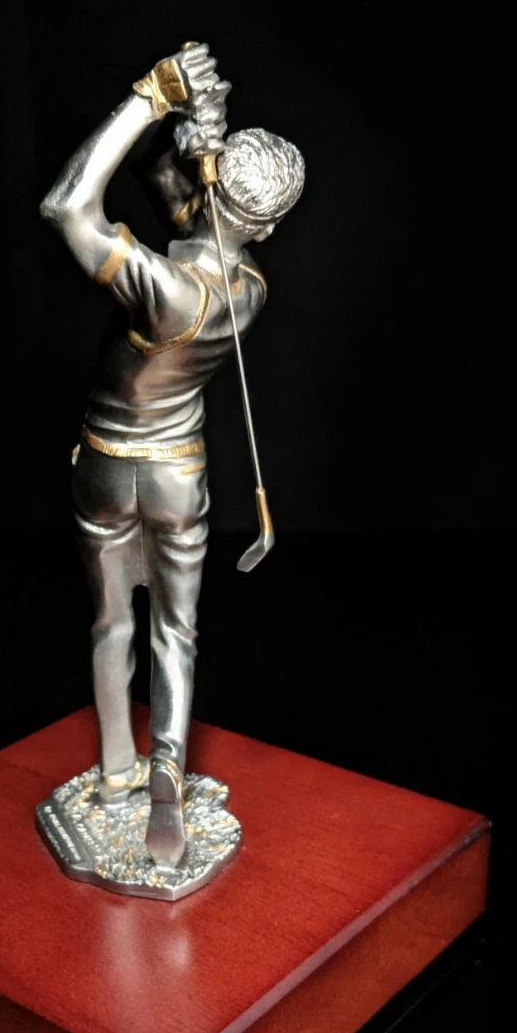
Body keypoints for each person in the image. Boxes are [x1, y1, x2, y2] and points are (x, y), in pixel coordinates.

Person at [40, 43, 304, 867]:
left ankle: (118, 770)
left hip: (107, 463)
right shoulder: (249, 290)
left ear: (217, 191)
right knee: (176, 633)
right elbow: (171, 191)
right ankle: (167, 775)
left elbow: (67, 207)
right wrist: (198, 133)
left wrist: (152, 97)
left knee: (113, 620)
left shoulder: (165, 289)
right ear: (267, 225)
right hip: (178, 474)